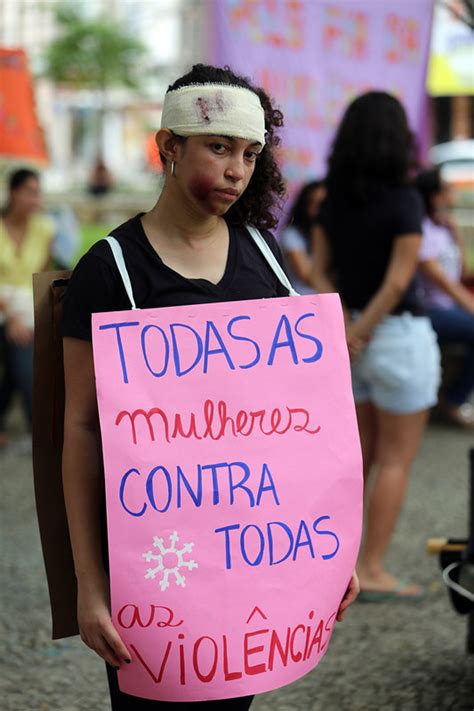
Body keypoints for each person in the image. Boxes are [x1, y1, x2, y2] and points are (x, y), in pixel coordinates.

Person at [61, 64, 359, 710]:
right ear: (169, 146)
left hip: (250, 573)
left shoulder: (265, 258)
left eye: (250, 153)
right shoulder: (110, 272)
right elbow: (81, 432)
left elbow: (305, 420)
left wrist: (328, 551)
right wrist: (89, 585)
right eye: (218, 146)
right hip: (153, 575)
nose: (236, 171)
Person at [312, 91, 441, 601]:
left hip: (348, 341)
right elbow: (397, 282)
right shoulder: (406, 198)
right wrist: (361, 329)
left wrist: (345, 326)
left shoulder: (330, 197)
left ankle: (338, 568)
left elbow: (320, 271)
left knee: (356, 460)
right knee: (394, 460)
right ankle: (374, 569)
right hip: (395, 338)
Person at [415, 167, 474, 428]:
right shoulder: (421, 229)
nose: (452, 193)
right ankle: (454, 399)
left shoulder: (442, 228)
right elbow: (441, 282)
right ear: (435, 195)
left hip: (449, 308)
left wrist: (457, 235)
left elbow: (463, 273)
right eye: (447, 188)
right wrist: (471, 306)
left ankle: (454, 397)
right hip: (430, 310)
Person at [0, 168, 55, 448]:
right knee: (23, 361)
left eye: (38, 192)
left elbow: (44, 275)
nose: (36, 199)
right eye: (30, 192)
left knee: (18, 362)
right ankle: (43, 433)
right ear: (13, 193)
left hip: (28, 311)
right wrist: (11, 318)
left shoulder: (44, 229)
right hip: (5, 309)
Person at [280, 180, 326, 294]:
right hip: (305, 299)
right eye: (313, 203)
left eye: (323, 204)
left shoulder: (331, 232)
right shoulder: (292, 234)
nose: (318, 210)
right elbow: (306, 275)